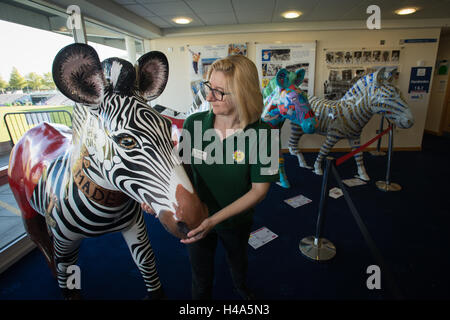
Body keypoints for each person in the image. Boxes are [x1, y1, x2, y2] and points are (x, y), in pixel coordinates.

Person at [141, 55, 279, 299]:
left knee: (238, 261)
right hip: (196, 215)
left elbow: (259, 191)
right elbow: (179, 168)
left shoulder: (264, 134)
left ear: (243, 93)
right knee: (200, 275)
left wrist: (214, 221)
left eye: (219, 92)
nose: (208, 97)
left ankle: (241, 287)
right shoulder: (194, 124)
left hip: (236, 220)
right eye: (208, 88)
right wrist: (156, 199)